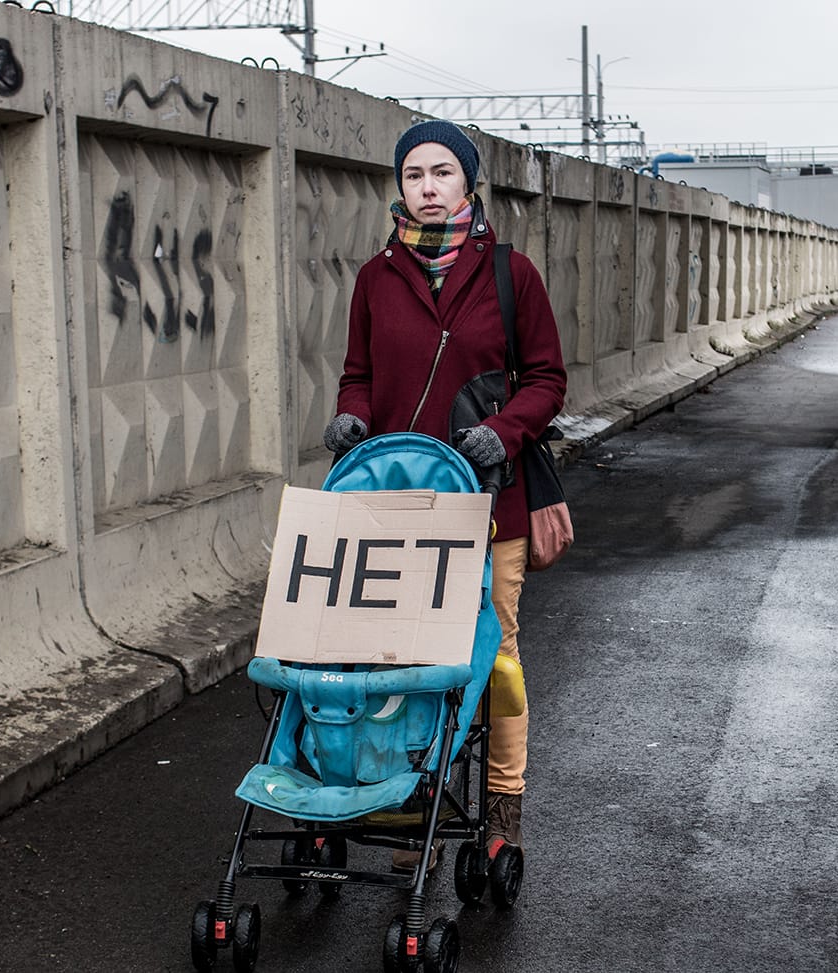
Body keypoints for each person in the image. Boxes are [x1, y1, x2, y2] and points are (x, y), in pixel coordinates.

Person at [324, 119, 567, 869]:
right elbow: (358, 372)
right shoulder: (375, 277)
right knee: (408, 662)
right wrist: (352, 416)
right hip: (402, 510)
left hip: (492, 504)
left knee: (494, 658)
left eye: (443, 174)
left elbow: (549, 380)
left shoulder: (511, 274)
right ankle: (416, 810)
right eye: (414, 176)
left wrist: (507, 427)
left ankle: (501, 811)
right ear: (399, 187)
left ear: (469, 184)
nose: (427, 189)